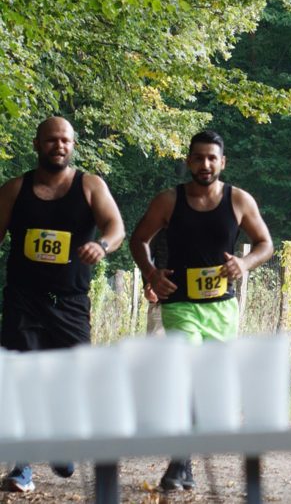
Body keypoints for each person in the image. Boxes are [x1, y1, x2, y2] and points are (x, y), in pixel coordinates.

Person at [129, 130, 274, 491]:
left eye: (212, 158)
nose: (205, 164)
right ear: (188, 161)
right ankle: (180, 462)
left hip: (222, 307)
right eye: (198, 157)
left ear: (222, 163)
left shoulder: (239, 200)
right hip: (180, 304)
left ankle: (185, 462)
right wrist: (151, 272)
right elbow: (138, 239)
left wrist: (245, 262)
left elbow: (265, 244)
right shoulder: (168, 201)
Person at [0, 116, 126, 492]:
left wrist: (101, 246)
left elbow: (116, 228)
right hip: (24, 299)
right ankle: (21, 467)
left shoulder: (90, 185)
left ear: (73, 145)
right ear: (37, 144)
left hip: (70, 301)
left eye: (66, 140)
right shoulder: (14, 189)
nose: (59, 146)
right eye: (52, 140)